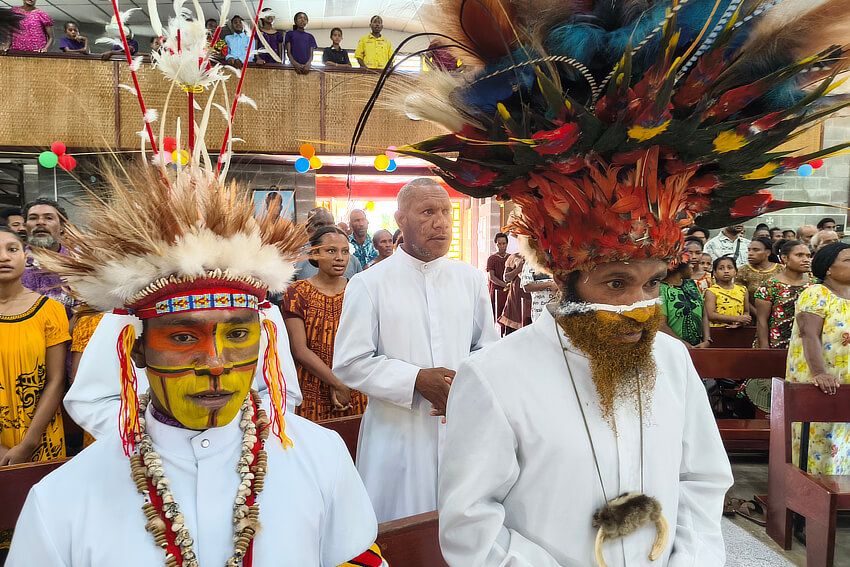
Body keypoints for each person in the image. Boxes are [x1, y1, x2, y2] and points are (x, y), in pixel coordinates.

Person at [356, 0, 849, 561]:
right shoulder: (493, 377)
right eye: (616, 283)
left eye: (653, 281)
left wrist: (685, 559)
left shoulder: (673, 362)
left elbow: (703, 484)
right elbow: (472, 527)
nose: (640, 306)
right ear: (564, 280)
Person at [7, 162, 387, 567]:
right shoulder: (62, 499)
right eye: (184, 337)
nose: (216, 364)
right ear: (137, 351)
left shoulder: (321, 455)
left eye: (238, 335)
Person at [333, 178, 498, 522]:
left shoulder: (469, 279)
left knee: (462, 529)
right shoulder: (369, 284)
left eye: (445, 212)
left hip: (459, 427)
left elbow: (488, 349)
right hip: (396, 436)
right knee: (399, 534)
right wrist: (416, 380)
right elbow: (350, 362)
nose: (441, 222)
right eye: (427, 212)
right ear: (400, 220)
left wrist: (464, 388)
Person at [0, 226, 69, 468]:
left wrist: (28, 444)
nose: (3, 257)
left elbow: (56, 380)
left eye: (12, 249)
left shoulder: (50, 310)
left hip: (40, 435)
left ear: (25, 257)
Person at [282, 226, 366, 422]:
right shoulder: (297, 292)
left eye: (345, 251)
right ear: (314, 253)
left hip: (355, 386)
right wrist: (336, 384)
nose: (340, 257)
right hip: (312, 388)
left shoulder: (358, 289)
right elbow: (299, 349)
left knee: (356, 445)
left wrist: (345, 384)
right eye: (331, 251)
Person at [786, 242, 850, 475]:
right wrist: (820, 373)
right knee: (819, 438)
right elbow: (809, 334)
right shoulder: (816, 293)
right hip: (818, 378)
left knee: (842, 439)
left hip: (846, 381)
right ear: (828, 269)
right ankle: (810, 495)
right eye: (848, 260)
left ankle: (839, 494)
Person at [755, 240, 813, 350]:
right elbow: (762, 321)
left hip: (807, 345)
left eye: (808, 256)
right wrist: (764, 348)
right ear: (784, 258)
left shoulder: (814, 285)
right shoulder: (770, 286)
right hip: (777, 344)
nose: (806, 260)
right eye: (799, 255)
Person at [21, 198, 75, 313]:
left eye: (48, 218)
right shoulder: (14, 262)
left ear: (62, 227)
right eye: (33, 218)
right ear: (25, 226)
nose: (40, 222)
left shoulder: (77, 263)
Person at [293, 208, 362, 281]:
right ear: (307, 228)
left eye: (330, 224)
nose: (326, 229)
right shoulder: (296, 260)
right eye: (319, 224)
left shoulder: (352, 261)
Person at [659, 260, 711, 348]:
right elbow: (661, 325)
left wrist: (707, 340)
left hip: (699, 347)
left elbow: (704, 314)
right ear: (678, 267)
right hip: (673, 348)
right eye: (689, 264)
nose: (692, 266)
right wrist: (683, 344)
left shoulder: (691, 284)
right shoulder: (661, 290)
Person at [736, 236, 784, 319]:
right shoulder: (742, 271)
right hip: (750, 318)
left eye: (756, 250)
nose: (750, 253)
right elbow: (741, 296)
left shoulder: (782, 270)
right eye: (749, 250)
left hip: (778, 317)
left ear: (768, 252)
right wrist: (760, 315)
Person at [705, 256, 751, 328]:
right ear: (715, 273)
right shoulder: (711, 291)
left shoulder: (743, 290)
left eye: (730, 268)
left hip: (738, 330)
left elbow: (746, 311)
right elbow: (711, 315)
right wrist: (736, 318)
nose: (726, 271)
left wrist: (740, 322)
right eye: (721, 268)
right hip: (717, 330)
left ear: (735, 271)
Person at [497, 251, 526, 333]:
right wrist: (518, 270)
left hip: (532, 298)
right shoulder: (515, 257)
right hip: (515, 298)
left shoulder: (539, 256)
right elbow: (506, 278)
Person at [486, 232, 509, 334]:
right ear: (495, 244)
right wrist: (504, 285)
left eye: (504, 243)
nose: (502, 246)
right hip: (496, 291)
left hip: (509, 292)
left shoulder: (511, 258)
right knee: (495, 314)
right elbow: (491, 277)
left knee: (507, 314)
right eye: (499, 244)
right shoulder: (492, 259)